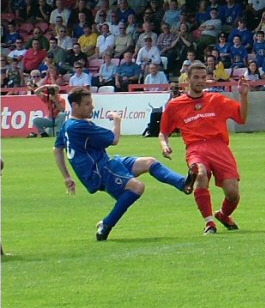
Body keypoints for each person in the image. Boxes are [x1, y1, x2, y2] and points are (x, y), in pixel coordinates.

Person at [54, 88, 195, 241]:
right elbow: (114, 139)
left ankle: (183, 183)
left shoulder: (68, 125)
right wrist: (117, 120)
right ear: (75, 106)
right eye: (87, 104)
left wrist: (67, 177)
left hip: (107, 162)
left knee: (149, 162)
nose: (92, 107)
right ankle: (106, 225)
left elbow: (57, 149)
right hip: (99, 170)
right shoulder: (80, 126)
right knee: (137, 187)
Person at [159, 62, 249, 235]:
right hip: (196, 148)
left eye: (203, 77)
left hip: (219, 147)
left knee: (232, 193)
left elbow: (242, 118)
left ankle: (223, 215)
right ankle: (209, 222)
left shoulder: (216, 100)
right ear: (188, 79)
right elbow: (163, 132)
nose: (200, 81)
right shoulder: (175, 105)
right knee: (200, 173)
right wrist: (165, 146)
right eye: (196, 77)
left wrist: (243, 96)